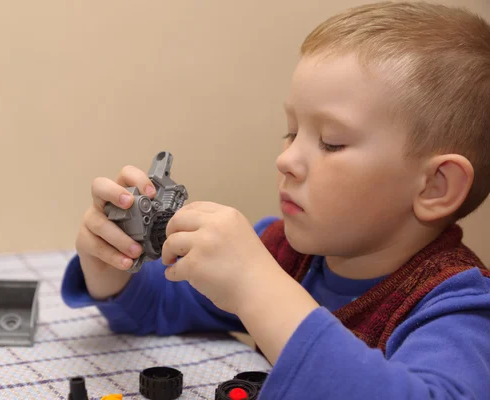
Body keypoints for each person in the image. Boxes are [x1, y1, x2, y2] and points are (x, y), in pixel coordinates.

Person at [61, 2, 490, 398]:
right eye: (291, 132)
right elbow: (159, 306)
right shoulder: (283, 250)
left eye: (331, 142)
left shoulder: (461, 311)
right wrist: (113, 264)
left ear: (435, 186)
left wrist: (258, 287)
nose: (285, 159)